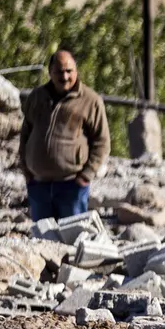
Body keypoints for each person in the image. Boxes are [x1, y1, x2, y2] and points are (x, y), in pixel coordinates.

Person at [17, 48, 111, 222]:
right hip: (38, 185)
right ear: (50, 73)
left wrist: (86, 176)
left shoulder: (90, 101)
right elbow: (25, 134)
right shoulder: (37, 97)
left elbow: (102, 142)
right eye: (59, 72)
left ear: (76, 71)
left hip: (72, 186)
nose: (65, 77)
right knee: (43, 240)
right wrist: (26, 170)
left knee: (73, 237)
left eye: (69, 71)